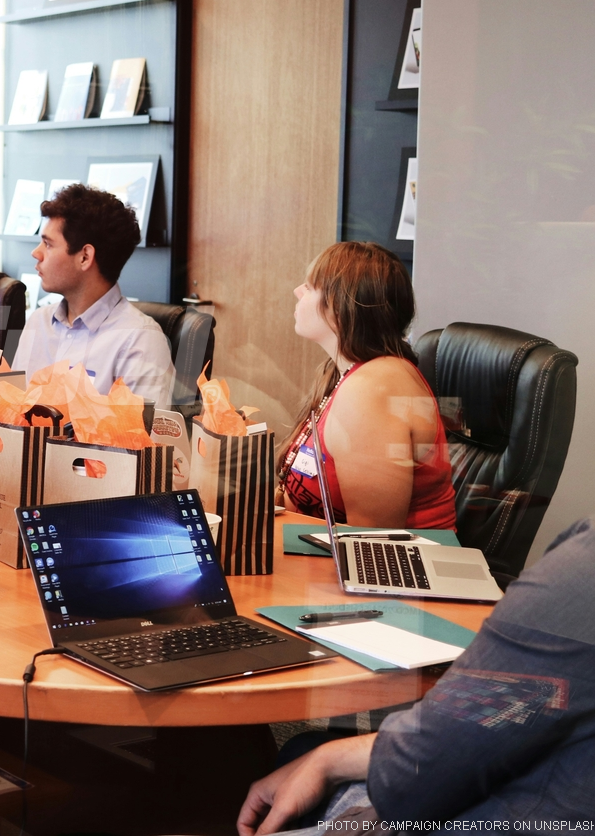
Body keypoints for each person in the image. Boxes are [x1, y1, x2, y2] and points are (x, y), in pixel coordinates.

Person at [237, 517, 595, 833]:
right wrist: (326, 758)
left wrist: (329, 761)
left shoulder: (583, 571)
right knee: (304, 749)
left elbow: (414, 784)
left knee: (287, 768)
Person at [277, 241, 456, 530]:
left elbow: (372, 540)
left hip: (397, 568)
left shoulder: (373, 388)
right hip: (327, 552)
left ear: (339, 306)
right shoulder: (344, 372)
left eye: (310, 287)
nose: (297, 291)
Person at [11, 184, 175, 409]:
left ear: (85, 257)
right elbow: (9, 417)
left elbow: (143, 441)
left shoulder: (140, 341)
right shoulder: (38, 322)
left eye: (48, 244)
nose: (36, 253)